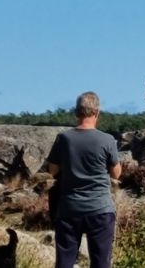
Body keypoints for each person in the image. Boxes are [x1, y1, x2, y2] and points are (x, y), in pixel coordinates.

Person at [46, 91, 121, 268]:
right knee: (101, 262)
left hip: (69, 208)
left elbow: (52, 170)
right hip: (100, 208)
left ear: (77, 112)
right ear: (97, 113)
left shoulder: (63, 139)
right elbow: (116, 174)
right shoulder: (107, 140)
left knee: (65, 262)